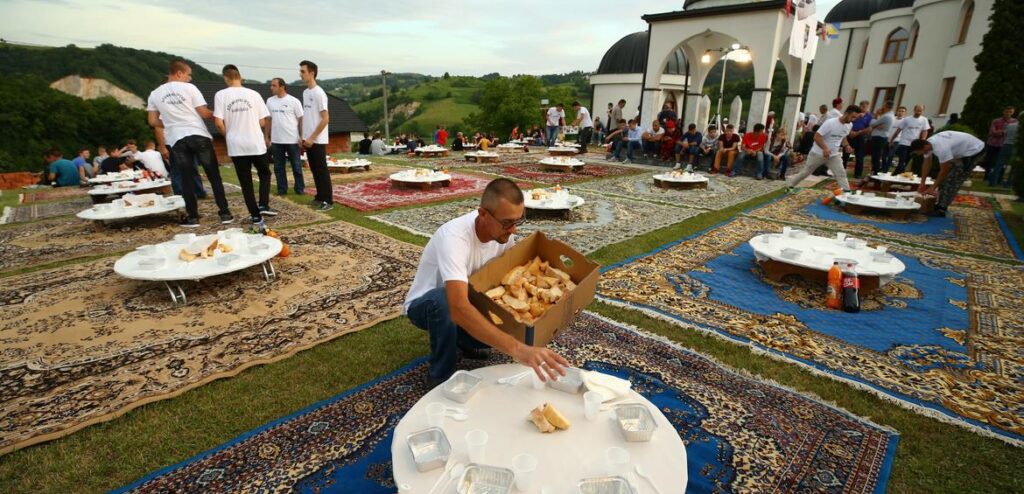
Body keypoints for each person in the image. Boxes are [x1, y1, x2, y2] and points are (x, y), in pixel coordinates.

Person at [403, 178, 569, 385]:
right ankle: (440, 375)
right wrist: (518, 349)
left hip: (470, 298)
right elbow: (457, 307)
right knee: (444, 301)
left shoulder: (504, 234)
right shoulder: (454, 238)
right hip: (429, 305)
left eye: (518, 221)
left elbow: (506, 283)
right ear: (482, 214)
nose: (514, 230)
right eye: (507, 223)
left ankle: (463, 341)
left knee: (499, 323)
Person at [148, 59, 234, 228]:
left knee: (186, 179)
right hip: (198, 134)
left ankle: (193, 217)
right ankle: (224, 213)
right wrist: (220, 116)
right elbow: (203, 113)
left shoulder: (155, 94)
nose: (190, 78)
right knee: (213, 175)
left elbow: (152, 121)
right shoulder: (190, 88)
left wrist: (171, 122)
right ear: (179, 73)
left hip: (177, 139)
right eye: (188, 74)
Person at [214, 64, 275, 225]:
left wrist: (229, 135)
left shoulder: (221, 95)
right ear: (240, 77)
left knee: (245, 181)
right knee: (265, 173)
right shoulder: (254, 94)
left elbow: (218, 123)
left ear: (226, 78)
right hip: (255, 142)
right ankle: (263, 203)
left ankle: (255, 215)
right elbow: (263, 121)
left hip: (236, 144)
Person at [787, 105, 862, 192]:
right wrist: (825, 148)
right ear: (846, 113)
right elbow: (816, 137)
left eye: (855, 118)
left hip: (833, 155)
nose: (854, 119)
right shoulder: (830, 123)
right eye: (853, 117)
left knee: (841, 173)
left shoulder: (849, 125)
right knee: (806, 172)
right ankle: (790, 186)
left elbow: (843, 137)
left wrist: (847, 145)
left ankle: (846, 193)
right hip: (817, 154)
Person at [910, 131, 985, 216]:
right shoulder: (928, 144)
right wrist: (922, 183)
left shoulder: (940, 148)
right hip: (963, 150)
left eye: (922, 152)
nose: (923, 154)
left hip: (975, 150)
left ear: (925, 146)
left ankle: (942, 209)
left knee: (953, 179)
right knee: (944, 179)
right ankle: (939, 204)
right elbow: (927, 163)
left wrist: (933, 187)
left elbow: (944, 171)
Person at [300, 60, 333, 212]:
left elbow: (325, 118)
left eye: (303, 71)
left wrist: (313, 137)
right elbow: (307, 117)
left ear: (312, 73)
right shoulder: (306, 92)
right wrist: (303, 136)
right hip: (308, 139)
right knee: (314, 169)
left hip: (317, 139)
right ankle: (319, 196)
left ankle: (328, 200)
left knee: (321, 170)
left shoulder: (319, 93)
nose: (300, 74)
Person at [263, 78, 305, 196]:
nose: (271, 87)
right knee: (278, 167)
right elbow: (268, 120)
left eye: (274, 85)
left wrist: (301, 136)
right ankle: (282, 189)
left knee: (296, 166)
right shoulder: (270, 101)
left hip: (292, 139)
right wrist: (266, 136)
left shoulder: (294, 101)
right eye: (271, 85)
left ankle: (299, 189)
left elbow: (301, 119)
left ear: (282, 87)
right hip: (276, 140)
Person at [889, 104, 931, 173]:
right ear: (914, 110)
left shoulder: (924, 120)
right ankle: (897, 174)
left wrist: (923, 139)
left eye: (920, 111)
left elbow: (925, 130)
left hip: (914, 144)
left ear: (923, 111)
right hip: (904, 143)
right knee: (902, 160)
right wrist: (891, 140)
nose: (919, 112)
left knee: (906, 161)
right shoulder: (907, 119)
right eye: (917, 111)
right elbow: (898, 130)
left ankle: (897, 174)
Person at [983, 106, 1017, 183]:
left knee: (1001, 162)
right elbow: (992, 132)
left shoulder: (1014, 122)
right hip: (992, 143)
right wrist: (1002, 132)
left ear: (1013, 113)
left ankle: (998, 179)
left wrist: (1000, 132)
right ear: (1003, 112)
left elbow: (1009, 133)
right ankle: (986, 177)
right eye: (1007, 111)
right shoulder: (996, 121)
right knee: (989, 161)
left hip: (1003, 144)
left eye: (1010, 112)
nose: (1008, 113)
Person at [844, 100, 873, 178]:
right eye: (862, 106)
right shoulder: (855, 114)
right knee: (845, 155)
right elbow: (848, 122)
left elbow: (870, 128)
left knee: (860, 156)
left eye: (865, 107)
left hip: (860, 137)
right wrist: (851, 132)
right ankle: (841, 171)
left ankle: (858, 174)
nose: (863, 108)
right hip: (850, 135)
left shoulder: (869, 116)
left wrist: (858, 132)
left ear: (867, 107)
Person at [867, 100, 895, 174]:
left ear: (886, 106)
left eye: (883, 105)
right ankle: (875, 170)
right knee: (876, 154)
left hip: (879, 137)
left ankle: (875, 171)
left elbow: (872, 124)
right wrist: (877, 125)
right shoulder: (890, 115)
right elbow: (878, 125)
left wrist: (875, 116)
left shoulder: (886, 116)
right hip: (882, 136)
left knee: (876, 155)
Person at [991, 120, 1018, 186]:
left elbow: (1004, 134)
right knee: (1014, 166)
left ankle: (993, 182)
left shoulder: (1010, 125)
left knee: (999, 163)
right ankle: (1008, 183)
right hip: (1016, 146)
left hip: (1006, 144)